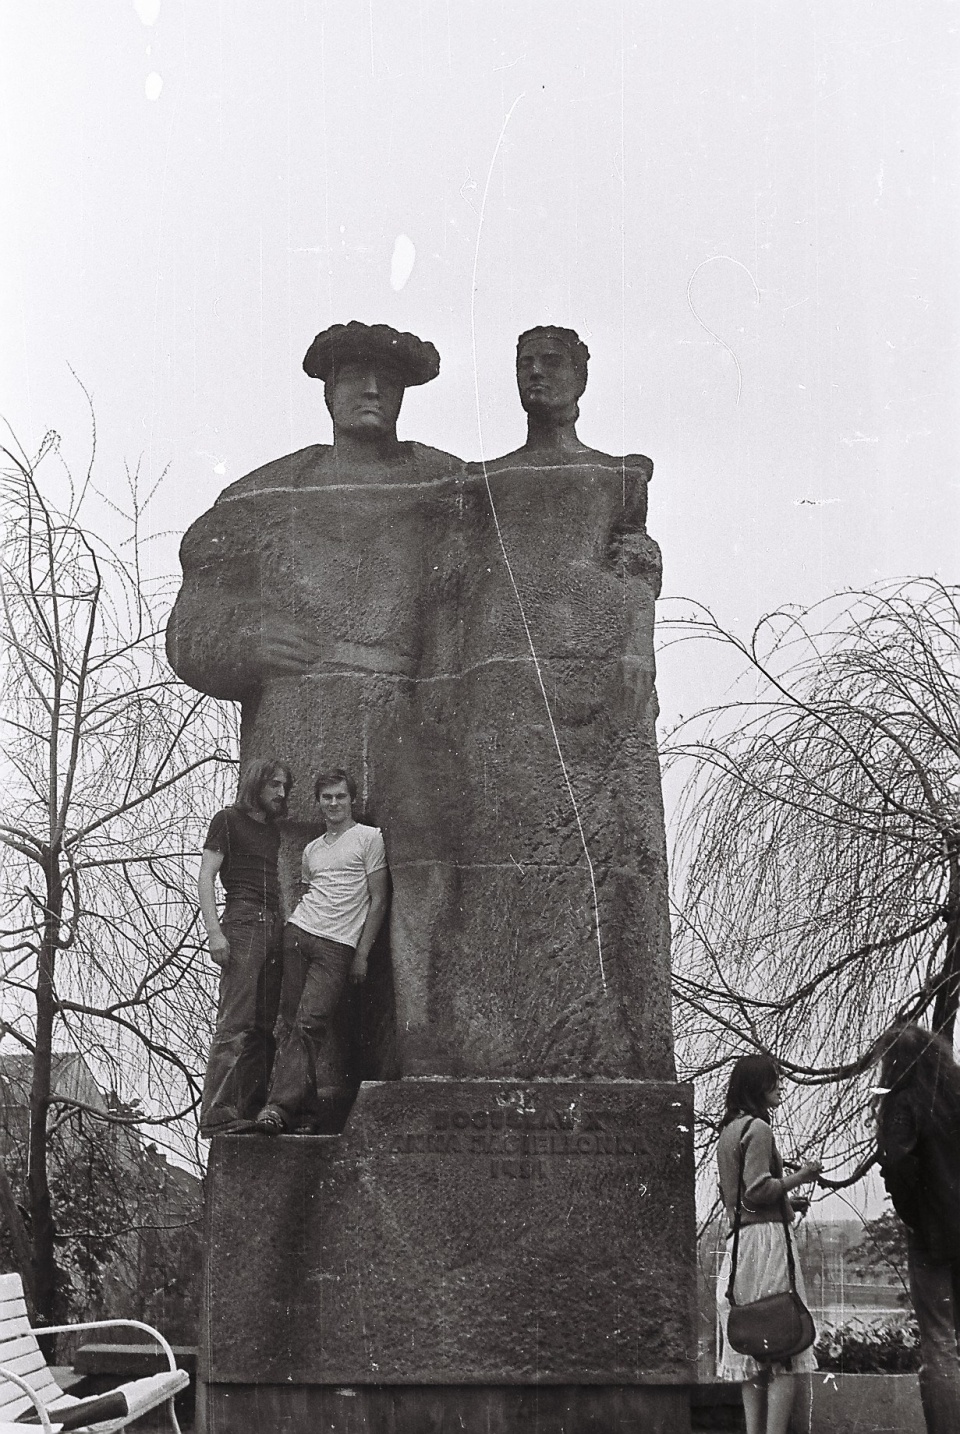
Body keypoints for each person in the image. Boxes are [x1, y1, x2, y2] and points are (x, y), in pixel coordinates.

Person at [253, 768, 389, 1134]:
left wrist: (362, 953)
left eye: (340, 796)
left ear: (352, 799)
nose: (333, 803)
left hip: (338, 946)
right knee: (291, 1025)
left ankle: (278, 1108)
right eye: (326, 797)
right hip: (299, 935)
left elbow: (378, 899)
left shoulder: (368, 838)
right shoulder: (312, 849)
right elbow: (310, 892)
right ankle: (305, 1114)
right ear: (318, 802)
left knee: (309, 1024)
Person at [715, 1054, 822, 1434]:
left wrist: (786, 1203)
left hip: (742, 1241)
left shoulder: (729, 1130)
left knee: (753, 1349)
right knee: (783, 1346)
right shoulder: (759, 1128)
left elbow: (742, 1196)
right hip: (768, 1246)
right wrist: (801, 1176)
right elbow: (759, 1189)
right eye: (774, 1081)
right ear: (757, 1087)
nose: (780, 1088)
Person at [198, 760, 293, 1137]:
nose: (281, 794)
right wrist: (214, 933)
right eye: (274, 785)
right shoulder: (227, 820)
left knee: (263, 1027)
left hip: (273, 925)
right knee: (235, 1022)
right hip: (242, 921)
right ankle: (216, 1112)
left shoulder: (271, 831)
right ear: (257, 784)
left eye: (285, 787)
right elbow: (205, 878)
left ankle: (247, 1109)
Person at [875, 1022, 960, 1432]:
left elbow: (897, 1163)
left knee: (941, 1342)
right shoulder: (956, 1095)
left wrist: (912, 1215)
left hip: (931, 1235)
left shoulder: (902, 1104)